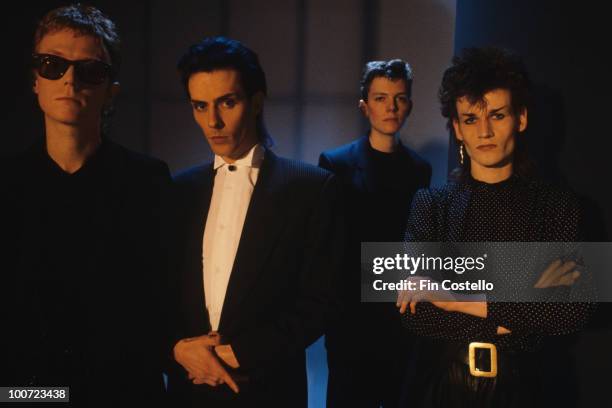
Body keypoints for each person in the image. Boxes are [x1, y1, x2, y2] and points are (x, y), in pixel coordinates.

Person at [396, 47, 594, 407]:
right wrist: (525, 303)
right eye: (471, 119)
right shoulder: (431, 204)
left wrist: (455, 299)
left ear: (520, 118)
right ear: (456, 127)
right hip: (438, 388)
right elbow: (417, 314)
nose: (484, 131)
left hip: (529, 389)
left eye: (497, 115)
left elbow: (571, 310)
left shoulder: (558, 206)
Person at [1, 4, 170, 407]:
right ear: (35, 80)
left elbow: (166, 301)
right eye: (52, 65)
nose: (70, 80)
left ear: (111, 87)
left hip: (125, 392)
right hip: (29, 393)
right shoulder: (5, 185)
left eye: (90, 70)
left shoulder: (148, 182)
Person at [167, 36, 344, 407]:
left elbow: (320, 303)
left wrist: (239, 353)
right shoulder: (178, 190)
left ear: (257, 102)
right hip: (190, 391)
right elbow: (158, 295)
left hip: (268, 390)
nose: (212, 121)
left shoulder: (311, 188)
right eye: (200, 106)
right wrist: (179, 349)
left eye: (227, 103)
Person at [319, 59, 431, 407]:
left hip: (399, 315)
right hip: (351, 319)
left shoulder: (419, 169)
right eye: (381, 98)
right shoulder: (335, 163)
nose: (391, 107)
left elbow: (418, 241)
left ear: (409, 105)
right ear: (364, 105)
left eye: (399, 98)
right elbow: (329, 245)